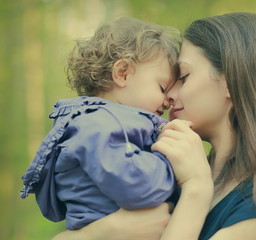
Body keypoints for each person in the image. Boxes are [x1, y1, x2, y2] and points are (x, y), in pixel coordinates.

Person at [53, 12, 256, 240]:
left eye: (184, 76)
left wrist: (197, 189)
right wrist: (103, 232)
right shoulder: (174, 175)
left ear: (230, 83)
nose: (169, 95)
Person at [20, 17, 182, 230]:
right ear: (122, 73)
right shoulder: (99, 125)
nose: (167, 101)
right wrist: (177, 162)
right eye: (162, 88)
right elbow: (138, 186)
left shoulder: (101, 122)